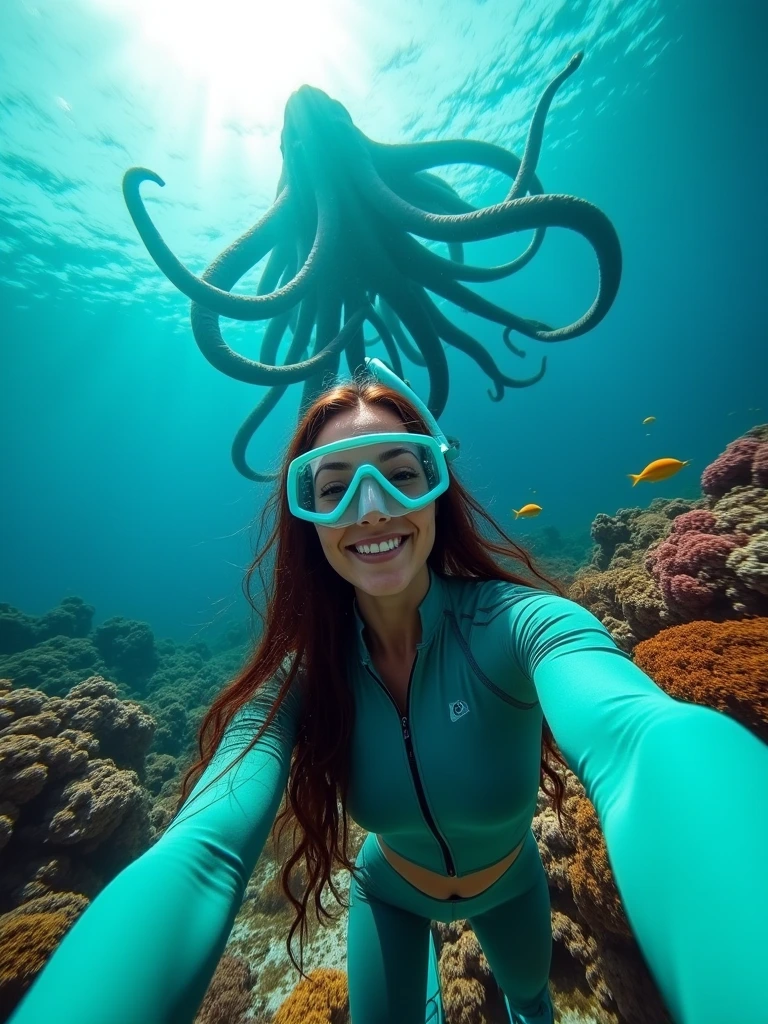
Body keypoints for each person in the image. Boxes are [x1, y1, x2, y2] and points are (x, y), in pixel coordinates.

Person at [10, 359, 768, 1024]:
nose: (370, 507)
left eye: (401, 474)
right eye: (333, 487)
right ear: (305, 518)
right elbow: (201, 852)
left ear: (437, 489)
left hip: (509, 886)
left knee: (531, 1002)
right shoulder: (301, 679)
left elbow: (640, 738)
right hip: (390, 896)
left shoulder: (522, 623)